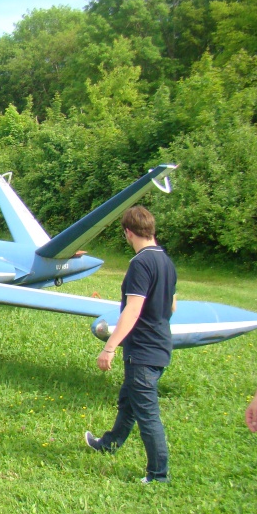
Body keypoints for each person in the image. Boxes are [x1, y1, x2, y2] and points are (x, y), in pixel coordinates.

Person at [85, 205, 177, 483]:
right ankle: (109, 444)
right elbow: (171, 306)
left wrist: (109, 347)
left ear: (128, 232)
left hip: (143, 352)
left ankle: (157, 476)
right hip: (160, 345)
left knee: (147, 414)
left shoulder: (140, 263)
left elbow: (132, 310)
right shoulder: (165, 261)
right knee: (128, 401)